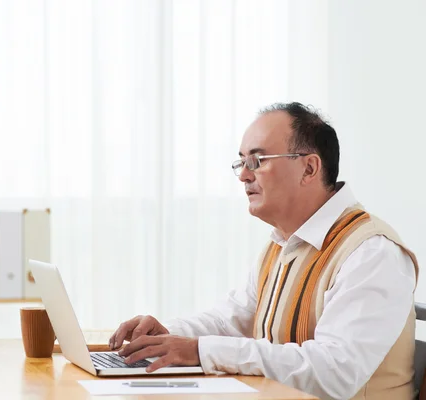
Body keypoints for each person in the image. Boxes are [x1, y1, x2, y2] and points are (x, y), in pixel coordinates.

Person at [108, 102, 420, 400]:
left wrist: (200, 350)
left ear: (309, 168)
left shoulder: (373, 253)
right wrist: (167, 338)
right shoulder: (283, 244)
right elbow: (232, 320)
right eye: (241, 162)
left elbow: (335, 371)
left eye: (257, 161)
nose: (244, 174)